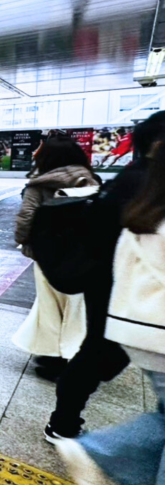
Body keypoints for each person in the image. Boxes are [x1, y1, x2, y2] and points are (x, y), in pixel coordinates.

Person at [55, 128, 165, 485]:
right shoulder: (131, 187)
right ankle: (89, 446)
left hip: (131, 319)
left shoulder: (137, 194)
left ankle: (89, 445)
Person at [44, 111, 165, 442]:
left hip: (114, 285)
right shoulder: (140, 184)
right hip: (121, 289)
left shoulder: (132, 179)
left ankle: (73, 428)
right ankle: (76, 432)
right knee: (101, 353)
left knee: (99, 351)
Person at [13, 136, 100, 380]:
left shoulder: (39, 185)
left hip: (47, 254)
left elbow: (26, 218)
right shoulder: (89, 179)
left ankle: (53, 356)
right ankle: (76, 353)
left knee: (50, 304)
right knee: (77, 306)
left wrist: (22, 240)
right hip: (85, 254)